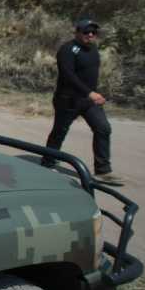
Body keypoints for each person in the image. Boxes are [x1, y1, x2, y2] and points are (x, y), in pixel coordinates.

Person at [41, 18, 123, 184]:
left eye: (93, 32)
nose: (90, 35)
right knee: (60, 131)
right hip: (68, 100)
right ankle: (47, 162)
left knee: (103, 128)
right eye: (86, 32)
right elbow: (68, 75)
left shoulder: (92, 49)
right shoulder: (68, 50)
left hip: (88, 100)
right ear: (77, 32)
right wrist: (90, 93)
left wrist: (92, 94)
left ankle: (103, 171)